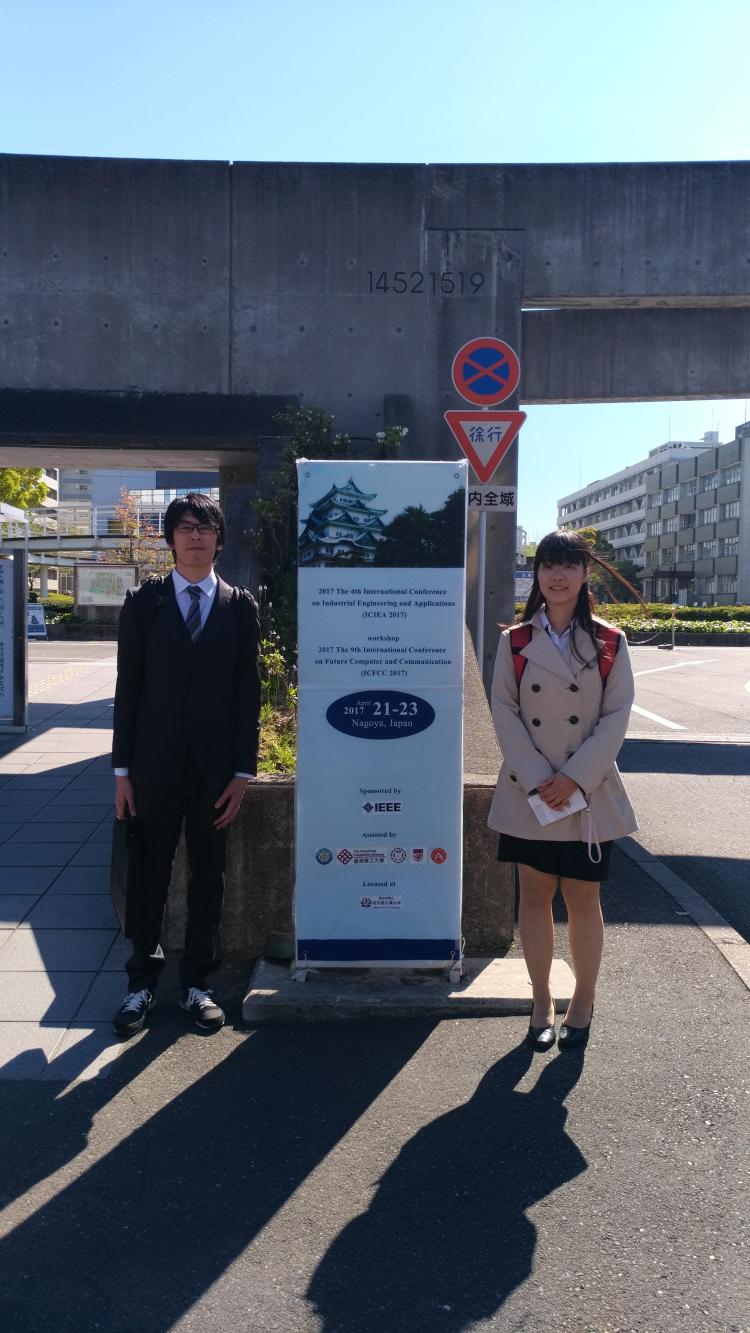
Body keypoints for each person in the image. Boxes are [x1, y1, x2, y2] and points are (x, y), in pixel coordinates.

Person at [111, 493, 261, 1037]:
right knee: (148, 874)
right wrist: (121, 772)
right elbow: (128, 688)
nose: (195, 536)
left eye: (205, 527)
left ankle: (198, 982)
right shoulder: (143, 603)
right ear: (171, 538)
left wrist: (242, 772)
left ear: (220, 540)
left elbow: (248, 693)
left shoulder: (239, 606)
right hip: (152, 767)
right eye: (185, 527)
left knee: (208, 877)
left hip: (215, 774)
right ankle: (141, 983)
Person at [488, 530, 637, 1051]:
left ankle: (584, 999)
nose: (557, 575)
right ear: (537, 573)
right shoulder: (515, 641)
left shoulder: (610, 641)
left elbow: (616, 717)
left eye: (568, 565)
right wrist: (538, 777)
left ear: (585, 573)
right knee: (534, 895)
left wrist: (574, 777)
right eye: (548, 564)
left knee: (582, 896)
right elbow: (504, 711)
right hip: (530, 789)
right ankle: (540, 1000)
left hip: (586, 791)